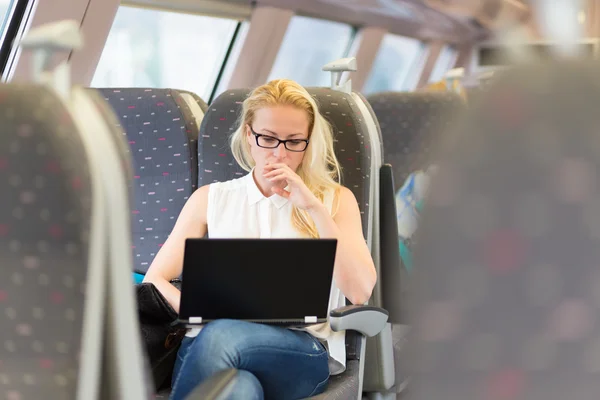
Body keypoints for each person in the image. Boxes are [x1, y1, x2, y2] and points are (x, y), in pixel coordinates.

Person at [143, 79, 377, 400]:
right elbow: (157, 278)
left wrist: (312, 207)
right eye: (268, 138)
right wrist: (199, 309)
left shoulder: (334, 200)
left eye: (294, 141)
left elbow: (360, 290)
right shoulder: (210, 199)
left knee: (221, 335)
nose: (279, 154)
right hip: (207, 345)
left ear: (308, 142)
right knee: (239, 389)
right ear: (247, 136)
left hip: (296, 351)